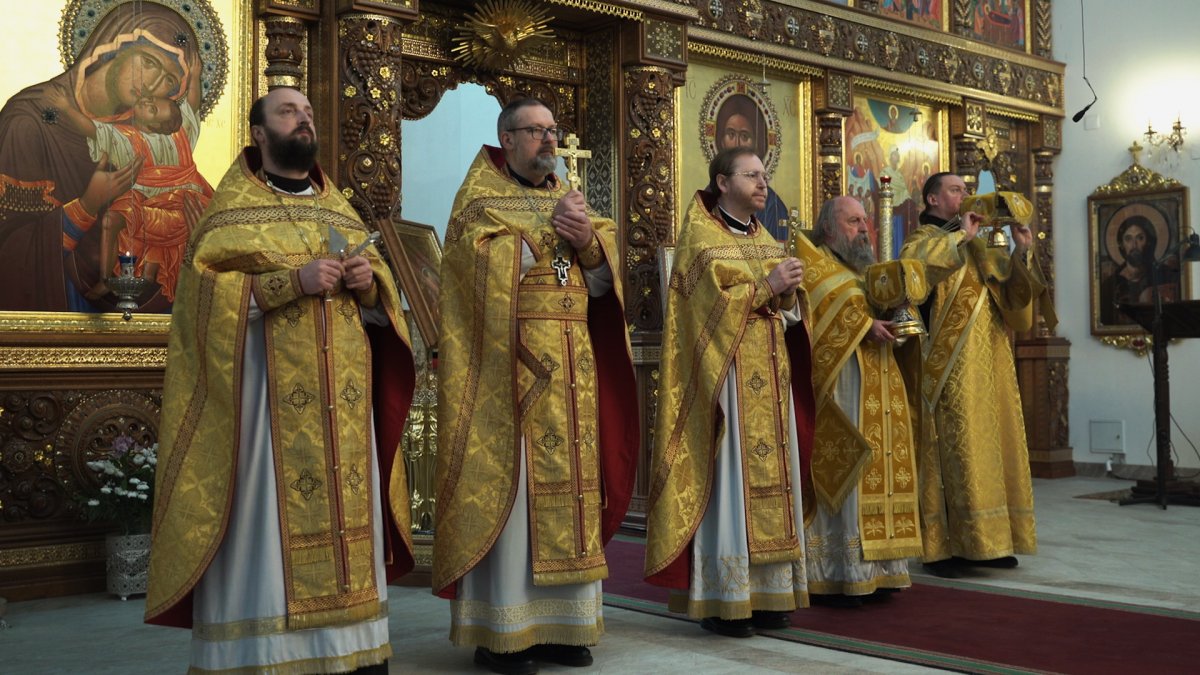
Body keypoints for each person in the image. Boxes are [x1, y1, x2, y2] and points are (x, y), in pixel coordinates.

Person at [145, 87, 417, 675]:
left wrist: (370, 285)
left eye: (308, 113)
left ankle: (353, 651)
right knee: (267, 528)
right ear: (259, 134)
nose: (303, 120)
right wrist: (290, 282)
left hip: (345, 411)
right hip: (266, 414)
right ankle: (268, 656)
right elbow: (201, 303)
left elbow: (380, 309)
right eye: (289, 112)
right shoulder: (231, 211)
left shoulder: (337, 210)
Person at [433, 97, 639, 675]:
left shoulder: (568, 199)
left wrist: (589, 242)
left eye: (553, 130)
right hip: (512, 377)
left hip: (573, 376)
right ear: (507, 137)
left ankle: (565, 627)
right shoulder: (479, 201)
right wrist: (537, 241)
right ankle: (504, 632)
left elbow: (602, 284)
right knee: (517, 502)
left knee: (573, 497)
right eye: (536, 131)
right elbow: (468, 276)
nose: (549, 140)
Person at [644, 146, 815, 638]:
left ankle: (772, 593)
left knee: (774, 485)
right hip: (727, 386)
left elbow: (786, 315)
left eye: (764, 175)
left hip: (771, 382)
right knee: (731, 487)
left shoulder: (765, 239)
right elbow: (702, 315)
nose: (763, 183)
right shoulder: (700, 239)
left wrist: (789, 296)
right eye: (751, 175)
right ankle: (726, 600)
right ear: (722, 182)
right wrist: (767, 287)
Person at [899, 172, 1053, 578]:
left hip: (991, 365)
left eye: (966, 190)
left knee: (992, 449)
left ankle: (990, 541)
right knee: (955, 452)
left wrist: (1021, 251)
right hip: (948, 368)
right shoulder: (921, 240)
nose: (965, 196)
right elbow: (915, 280)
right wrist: (960, 237)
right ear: (932, 199)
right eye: (955, 190)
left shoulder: (982, 246)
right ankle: (945, 548)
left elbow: (1017, 305)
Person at [0, 5, 200, 312]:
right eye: (149, 63)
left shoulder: (146, 132)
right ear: (114, 45)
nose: (152, 84)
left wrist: (192, 239)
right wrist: (87, 205)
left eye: (168, 81)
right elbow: (11, 249)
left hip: (136, 312)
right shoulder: (29, 121)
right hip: (55, 315)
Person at [794, 196, 921, 606]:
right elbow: (810, 315)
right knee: (847, 472)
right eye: (853, 221)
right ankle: (839, 573)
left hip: (881, 383)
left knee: (879, 473)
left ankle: (881, 569)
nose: (864, 228)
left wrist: (900, 312)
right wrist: (863, 324)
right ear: (830, 229)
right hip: (842, 387)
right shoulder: (815, 267)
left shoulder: (864, 270)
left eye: (865, 220)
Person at [41, 50, 213, 303]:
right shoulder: (125, 137)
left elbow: (191, 107)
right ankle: (106, 279)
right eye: (150, 100)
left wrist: (65, 108)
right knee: (111, 220)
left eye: (152, 109)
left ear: (158, 126)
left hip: (177, 208)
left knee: (147, 245)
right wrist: (195, 76)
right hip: (142, 200)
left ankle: (142, 279)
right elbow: (93, 129)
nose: (147, 102)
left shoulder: (178, 136)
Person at [715, 94, 790, 241]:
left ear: (756, 143)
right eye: (731, 134)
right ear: (723, 183)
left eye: (744, 136)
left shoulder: (773, 206)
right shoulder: (704, 205)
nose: (737, 143)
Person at [1099, 216, 1176, 325]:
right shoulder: (1109, 285)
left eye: (1140, 238)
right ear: (1121, 244)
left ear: (1148, 242)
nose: (1134, 245)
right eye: (1128, 239)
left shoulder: (1164, 275)